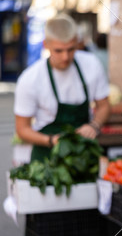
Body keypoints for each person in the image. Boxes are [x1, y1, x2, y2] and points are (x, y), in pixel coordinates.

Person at [14, 14, 110, 162]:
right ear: (46, 45)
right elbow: (22, 129)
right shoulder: (30, 79)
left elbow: (104, 106)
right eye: (58, 51)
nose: (65, 57)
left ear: (77, 43)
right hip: (46, 157)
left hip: (83, 154)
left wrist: (94, 126)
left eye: (71, 49)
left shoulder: (92, 65)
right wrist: (51, 140)